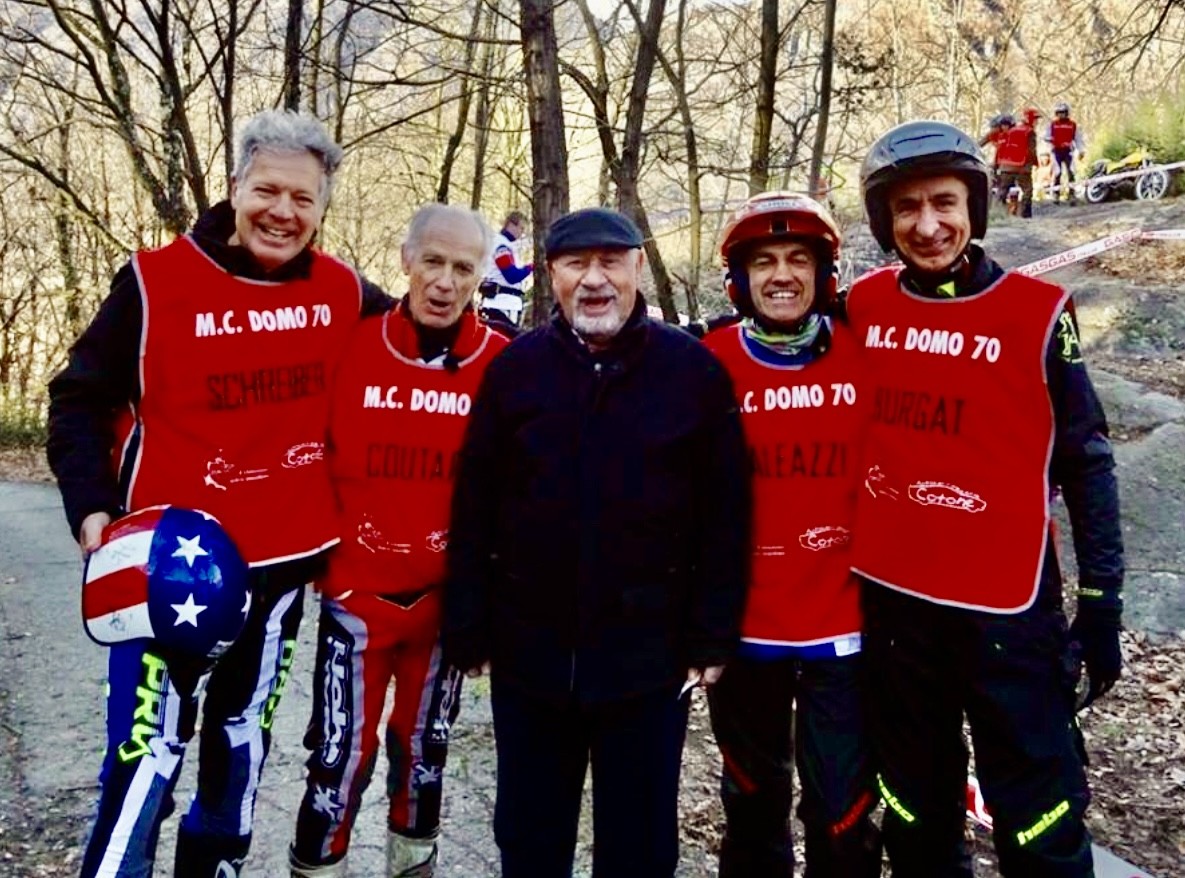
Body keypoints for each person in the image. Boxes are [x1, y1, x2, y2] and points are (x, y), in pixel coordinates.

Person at [47, 109, 393, 878]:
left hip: (279, 575)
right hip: (163, 573)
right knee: (145, 761)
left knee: (237, 755)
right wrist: (91, 506)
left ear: (322, 208)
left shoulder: (342, 292)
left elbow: (416, 355)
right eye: (267, 190)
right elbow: (77, 398)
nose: (282, 211)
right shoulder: (153, 281)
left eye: (303, 198)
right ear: (235, 187)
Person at [849, 119, 1124, 877]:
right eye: (906, 208)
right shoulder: (861, 306)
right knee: (915, 816)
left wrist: (1101, 604)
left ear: (973, 206)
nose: (927, 225)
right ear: (884, 221)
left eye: (944, 202)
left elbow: (1087, 463)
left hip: (1009, 615)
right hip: (897, 613)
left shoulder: (1038, 315)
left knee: (1039, 824)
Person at [442, 207, 751, 878]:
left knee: (638, 847)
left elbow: (726, 514)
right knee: (529, 838)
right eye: (575, 264)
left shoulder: (691, 374)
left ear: (637, 267)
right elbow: (474, 504)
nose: (594, 280)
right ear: (550, 274)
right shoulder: (515, 371)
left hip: (648, 660)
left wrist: (712, 633)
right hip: (530, 656)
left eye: (610, 262)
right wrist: (466, 620)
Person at [288, 203, 508, 878]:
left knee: (424, 752)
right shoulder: (352, 344)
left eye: (462, 268)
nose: (444, 282)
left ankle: (412, 866)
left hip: (444, 607)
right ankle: (317, 867)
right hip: (356, 598)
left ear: (481, 275)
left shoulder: (501, 362)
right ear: (407, 260)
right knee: (338, 758)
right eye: (432, 262)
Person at [703, 192, 881, 878]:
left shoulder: (865, 351)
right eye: (765, 262)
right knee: (753, 806)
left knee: (841, 814)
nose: (782, 275)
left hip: (845, 629)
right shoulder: (709, 361)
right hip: (747, 632)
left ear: (824, 273)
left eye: (798, 259)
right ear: (739, 279)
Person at [478, 210, 533, 330]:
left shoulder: (505, 244)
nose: (522, 233)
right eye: (521, 228)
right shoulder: (501, 245)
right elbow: (511, 276)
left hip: (504, 303)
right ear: (511, 225)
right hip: (502, 304)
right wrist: (531, 268)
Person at [995, 108, 1040, 218]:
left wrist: (999, 164)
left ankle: (997, 213)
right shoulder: (1030, 132)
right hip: (1022, 166)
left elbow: (1003, 147)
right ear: (1030, 119)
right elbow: (1031, 150)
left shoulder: (1012, 130)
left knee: (1002, 191)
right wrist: (1036, 162)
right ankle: (1025, 215)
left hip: (1006, 166)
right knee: (1027, 190)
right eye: (1035, 119)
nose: (1037, 122)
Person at [1046, 102, 1086, 204]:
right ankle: (1056, 194)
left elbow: (1078, 138)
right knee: (1057, 172)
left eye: (1063, 112)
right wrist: (1051, 142)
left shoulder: (1072, 125)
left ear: (1067, 113)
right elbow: (1046, 136)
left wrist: (1081, 150)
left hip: (1068, 151)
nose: (1061, 115)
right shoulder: (1052, 124)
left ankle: (1072, 194)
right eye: (1059, 113)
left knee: (1071, 171)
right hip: (1056, 151)